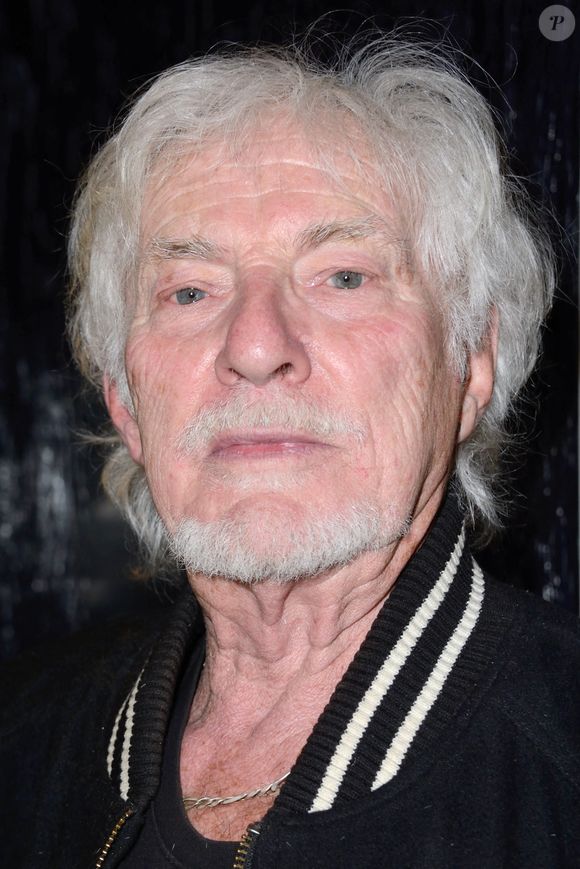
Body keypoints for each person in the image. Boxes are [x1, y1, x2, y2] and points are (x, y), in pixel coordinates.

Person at [2, 34, 579, 869]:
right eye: (190, 290)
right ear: (124, 397)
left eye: (343, 276)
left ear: (471, 359)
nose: (256, 344)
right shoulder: (23, 742)